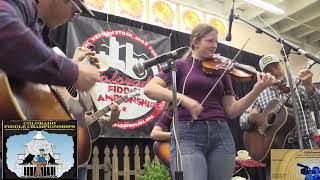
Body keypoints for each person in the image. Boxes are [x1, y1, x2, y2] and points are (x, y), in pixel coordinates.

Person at [144, 23, 275, 180]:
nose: (215, 46)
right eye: (210, 41)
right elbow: (150, 89)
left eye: (216, 42)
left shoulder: (223, 72)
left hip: (221, 134)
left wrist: (257, 90)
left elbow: (232, 111)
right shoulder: (180, 66)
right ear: (195, 42)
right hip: (188, 133)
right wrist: (184, 99)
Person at [244, 54, 320, 149]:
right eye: (269, 71)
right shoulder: (260, 92)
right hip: (277, 146)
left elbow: (317, 107)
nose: (275, 72)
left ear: (282, 64)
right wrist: (251, 117)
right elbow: (243, 121)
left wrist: (309, 86)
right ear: (263, 73)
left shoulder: (299, 82)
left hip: (306, 143)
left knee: (310, 164)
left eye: (276, 66)